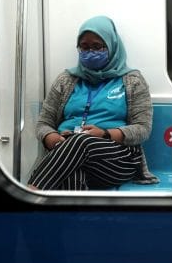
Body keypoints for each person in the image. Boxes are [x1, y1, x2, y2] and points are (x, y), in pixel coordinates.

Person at [28, 15, 158, 190]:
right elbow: (44, 123)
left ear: (111, 46)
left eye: (97, 47)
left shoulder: (132, 80)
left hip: (117, 156)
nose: (90, 52)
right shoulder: (66, 80)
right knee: (72, 172)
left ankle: (30, 193)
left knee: (81, 142)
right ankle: (75, 218)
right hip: (67, 151)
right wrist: (52, 138)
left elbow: (142, 128)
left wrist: (104, 133)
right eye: (84, 47)